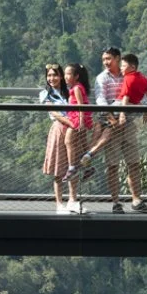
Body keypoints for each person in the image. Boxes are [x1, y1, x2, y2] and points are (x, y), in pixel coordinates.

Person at [70, 49, 147, 213]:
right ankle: (116, 203)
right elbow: (101, 101)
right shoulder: (102, 78)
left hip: (128, 124)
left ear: (118, 59)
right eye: (104, 59)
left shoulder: (129, 75)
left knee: (134, 163)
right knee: (112, 165)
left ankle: (136, 200)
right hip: (111, 125)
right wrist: (112, 119)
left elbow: (143, 96)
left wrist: (133, 109)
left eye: (109, 59)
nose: (106, 62)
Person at [55, 63, 94, 213]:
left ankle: (72, 168)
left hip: (77, 119)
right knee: (82, 145)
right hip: (77, 118)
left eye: (68, 74)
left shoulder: (77, 88)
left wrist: (82, 122)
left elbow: (80, 106)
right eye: (64, 74)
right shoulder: (75, 88)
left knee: (68, 141)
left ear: (76, 76)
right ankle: (88, 167)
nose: (65, 77)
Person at [38, 63, 76, 212]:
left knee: (73, 167)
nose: (51, 78)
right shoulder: (45, 94)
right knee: (59, 169)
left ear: (61, 76)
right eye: (49, 75)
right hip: (60, 129)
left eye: (54, 75)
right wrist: (72, 123)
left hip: (73, 130)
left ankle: (73, 200)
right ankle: (59, 204)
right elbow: (54, 113)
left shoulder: (70, 91)